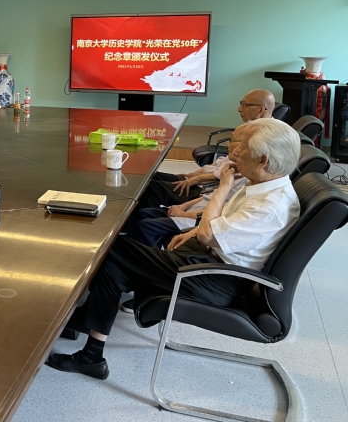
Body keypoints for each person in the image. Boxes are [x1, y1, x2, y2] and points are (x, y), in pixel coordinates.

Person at [47, 118, 300, 380]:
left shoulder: (268, 207)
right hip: (207, 260)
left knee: (113, 246)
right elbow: (223, 220)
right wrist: (191, 232)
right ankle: (92, 354)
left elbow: (208, 234)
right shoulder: (262, 186)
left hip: (214, 277)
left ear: (263, 160)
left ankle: (85, 322)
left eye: (244, 148)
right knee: (115, 263)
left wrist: (223, 188)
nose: (236, 152)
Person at [129, 89, 275, 215]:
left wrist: (197, 179)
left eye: (245, 105)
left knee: (149, 188)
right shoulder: (251, 128)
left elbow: (235, 174)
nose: (239, 108)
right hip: (207, 184)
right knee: (150, 177)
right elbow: (225, 162)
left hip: (208, 190)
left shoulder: (265, 136)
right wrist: (196, 174)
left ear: (260, 110)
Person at [122, 123, 251, 249]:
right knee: (144, 211)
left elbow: (221, 216)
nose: (228, 144)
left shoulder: (247, 186)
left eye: (233, 140)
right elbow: (210, 195)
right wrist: (184, 205)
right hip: (197, 206)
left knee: (146, 222)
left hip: (197, 217)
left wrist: (183, 213)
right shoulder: (241, 175)